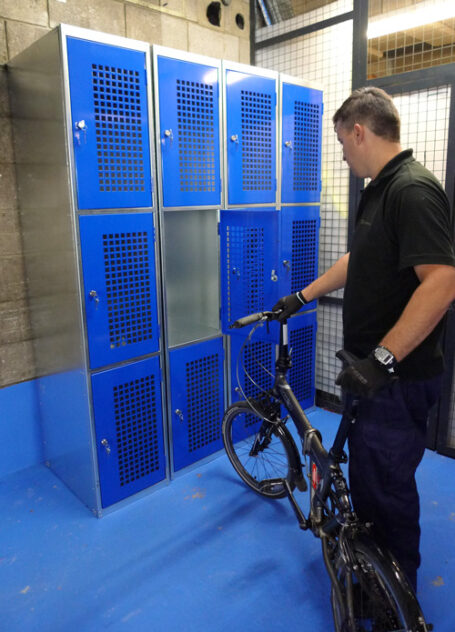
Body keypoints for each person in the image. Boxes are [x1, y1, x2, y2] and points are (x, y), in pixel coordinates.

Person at [273, 86, 455, 592]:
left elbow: (442, 282)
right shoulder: (380, 190)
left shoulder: (412, 190)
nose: (343, 153)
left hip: (395, 380)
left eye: (342, 143)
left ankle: (394, 596)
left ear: (359, 131)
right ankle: (371, 570)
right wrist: (302, 296)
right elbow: (360, 262)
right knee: (371, 482)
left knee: (387, 487)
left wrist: (383, 359)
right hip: (373, 374)